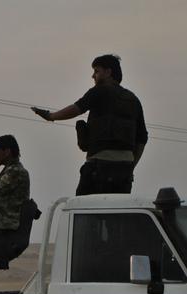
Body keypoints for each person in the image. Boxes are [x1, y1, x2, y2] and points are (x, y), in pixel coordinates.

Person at [31, 54, 148, 196]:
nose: (93, 76)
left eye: (96, 71)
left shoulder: (99, 91)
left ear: (108, 72)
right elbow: (142, 139)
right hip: (125, 169)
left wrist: (51, 116)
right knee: (117, 212)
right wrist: (131, 167)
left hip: (99, 166)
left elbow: (77, 108)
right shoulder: (133, 99)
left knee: (85, 209)